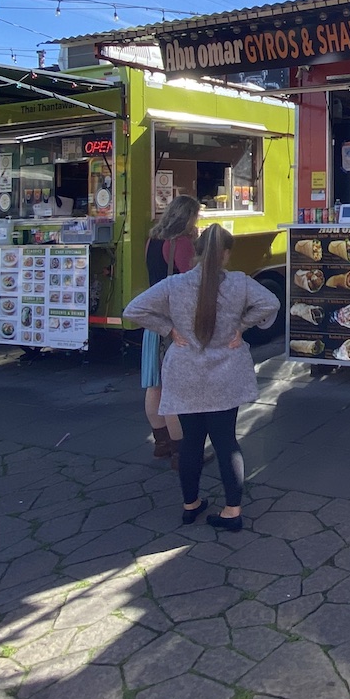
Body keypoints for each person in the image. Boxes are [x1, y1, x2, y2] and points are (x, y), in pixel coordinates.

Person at [123, 223, 279, 530]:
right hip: (226, 372)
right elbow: (270, 303)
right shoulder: (240, 282)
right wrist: (241, 327)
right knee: (226, 442)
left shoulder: (174, 285)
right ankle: (232, 511)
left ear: (195, 251)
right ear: (226, 254)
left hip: (185, 372)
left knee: (191, 441)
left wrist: (169, 330)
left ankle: (190, 505)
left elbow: (133, 310)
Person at [142, 195, 201, 463]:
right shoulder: (182, 243)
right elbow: (194, 280)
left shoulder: (152, 241)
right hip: (174, 321)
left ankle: (161, 443)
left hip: (152, 319)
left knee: (154, 385)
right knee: (175, 389)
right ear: (188, 217)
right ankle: (182, 453)